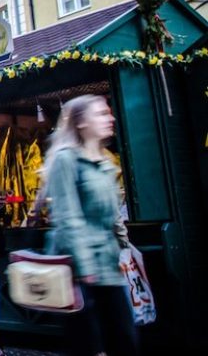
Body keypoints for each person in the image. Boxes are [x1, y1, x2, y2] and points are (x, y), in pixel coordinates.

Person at [44, 95, 137, 356]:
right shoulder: (66, 160)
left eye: (108, 113)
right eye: (101, 114)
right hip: (81, 272)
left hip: (109, 264)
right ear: (81, 123)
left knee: (124, 338)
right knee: (92, 345)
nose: (110, 118)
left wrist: (126, 249)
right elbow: (67, 216)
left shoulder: (105, 161)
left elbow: (114, 214)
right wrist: (85, 269)